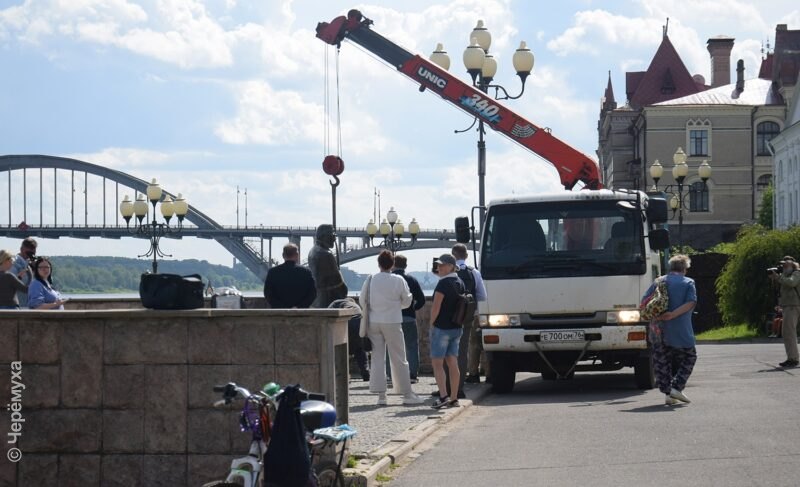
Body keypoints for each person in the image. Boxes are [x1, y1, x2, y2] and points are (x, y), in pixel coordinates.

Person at [360, 250, 424, 406]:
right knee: (399, 357)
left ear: (378, 264)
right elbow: (407, 301)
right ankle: (407, 394)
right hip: (393, 321)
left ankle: (381, 396)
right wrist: (397, 307)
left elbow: (363, 301)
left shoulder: (370, 280)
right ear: (392, 264)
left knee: (377, 357)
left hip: (374, 321)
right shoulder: (398, 280)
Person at [644, 254, 697, 406]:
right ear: (685, 269)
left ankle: (668, 393)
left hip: (658, 329)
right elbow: (691, 302)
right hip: (680, 328)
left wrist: (658, 316)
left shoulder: (658, 281)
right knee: (689, 356)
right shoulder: (688, 282)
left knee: (662, 361)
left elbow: (645, 301)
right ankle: (677, 387)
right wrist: (673, 314)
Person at [429, 253, 465, 409]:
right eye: (438, 265)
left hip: (442, 328)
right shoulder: (460, 282)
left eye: (442, 265)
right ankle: (454, 398)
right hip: (456, 328)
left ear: (451, 266)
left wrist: (431, 325)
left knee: (437, 363)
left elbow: (435, 307)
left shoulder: (442, 284)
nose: (439, 267)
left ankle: (443, 396)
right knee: (452, 362)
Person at [452, 244, 488, 385]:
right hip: (470, 314)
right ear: (466, 256)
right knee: (471, 344)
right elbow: (482, 296)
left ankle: (452, 380)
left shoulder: (449, 271)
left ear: (452, 255)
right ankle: (473, 373)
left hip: (451, 315)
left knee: (451, 347)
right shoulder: (474, 272)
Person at [387, 254, 426, 383]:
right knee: (411, 346)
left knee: (391, 346)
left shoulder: (389, 280)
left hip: (392, 318)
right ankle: (412, 374)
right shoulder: (412, 280)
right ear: (405, 265)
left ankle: (390, 374)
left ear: (393, 265)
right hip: (409, 318)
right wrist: (413, 309)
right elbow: (422, 299)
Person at [263, 243, 316, 308]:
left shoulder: (273, 272)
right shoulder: (306, 272)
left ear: (283, 255)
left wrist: (282, 307)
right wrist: (299, 307)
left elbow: (268, 294)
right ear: (297, 255)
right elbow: (312, 294)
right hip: (301, 314)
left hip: (279, 314)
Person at [330, 297, 371, 381]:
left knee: (340, 348)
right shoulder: (356, 306)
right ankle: (365, 372)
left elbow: (328, 313)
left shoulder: (336, 301)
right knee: (359, 349)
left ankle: (341, 375)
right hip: (359, 322)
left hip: (347, 321)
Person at [770, 256, 800, 367]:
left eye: (786, 265)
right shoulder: (785, 275)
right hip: (789, 306)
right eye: (783, 265)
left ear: (792, 265)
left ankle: (793, 359)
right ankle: (792, 357)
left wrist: (779, 278)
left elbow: (792, 283)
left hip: (794, 306)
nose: (783, 267)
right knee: (788, 332)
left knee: (789, 333)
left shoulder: (797, 273)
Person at [308, 225, 348, 308]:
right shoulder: (326, 255)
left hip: (316, 301)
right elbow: (341, 289)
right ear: (323, 236)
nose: (334, 239)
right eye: (332, 236)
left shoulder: (312, 251)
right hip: (327, 303)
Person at [10, 238, 36, 307]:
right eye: (28, 248)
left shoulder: (29, 265)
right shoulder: (14, 263)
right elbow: (9, 283)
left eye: (33, 249)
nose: (31, 252)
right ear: (21, 249)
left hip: (26, 304)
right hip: (15, 305)